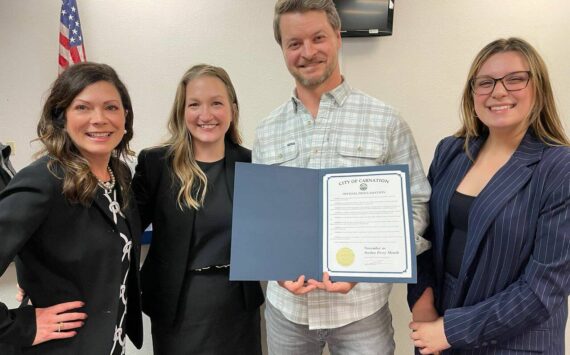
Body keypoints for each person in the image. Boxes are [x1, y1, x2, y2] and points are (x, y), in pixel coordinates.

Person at [253, 1, 431, 353]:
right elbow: (261, 219)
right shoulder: (265, 131)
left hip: (361, 314)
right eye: (294, 43)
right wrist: (274, 266)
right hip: (286, 315)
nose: (307, 52)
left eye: (318, 37)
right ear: (282, 49)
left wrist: (370, 266)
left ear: (337, 36)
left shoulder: (386, 121)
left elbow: (416, 209)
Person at [408, 37, 570, 354]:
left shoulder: (559, 167)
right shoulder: (451, 151)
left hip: (514, 341)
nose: (498, 91)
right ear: (472, 95)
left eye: (515, 79)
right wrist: (422, 300)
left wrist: (451, 330)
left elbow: (544, 288)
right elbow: (423, 234)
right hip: (436, 332)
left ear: (538, 88)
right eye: (485, 82)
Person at [0, 62, 143, 354]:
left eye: (111, 107)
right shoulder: (43, 180)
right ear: (61, 116)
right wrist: (20, 327)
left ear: (125, 116)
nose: (99, 118)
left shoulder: (119, 175)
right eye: (83, 108)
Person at [132, 64, 264, 354]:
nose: (206, 115)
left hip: (237, 307)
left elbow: (275, 234)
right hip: (177, 307)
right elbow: (122, 232)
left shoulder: (253, 164)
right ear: (182, 111)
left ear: (232, 108)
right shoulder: (155, 164)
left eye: (216, 103)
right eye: (194, 104)